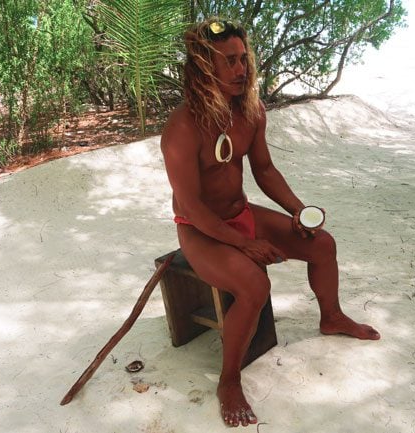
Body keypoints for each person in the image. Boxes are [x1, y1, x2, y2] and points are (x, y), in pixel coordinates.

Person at [160, 18, 380, 428]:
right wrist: (242, 244)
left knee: (323, 245)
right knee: (254, 286)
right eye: (229, 62)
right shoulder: (183, 127)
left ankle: (331, 316)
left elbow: (264, 169)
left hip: (240, 214)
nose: (241, 69)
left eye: (244, 59)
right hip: (198, 230)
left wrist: (298, 210)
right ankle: (228, 382)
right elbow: (190, 206)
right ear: (203, 67)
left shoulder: (250, 111)